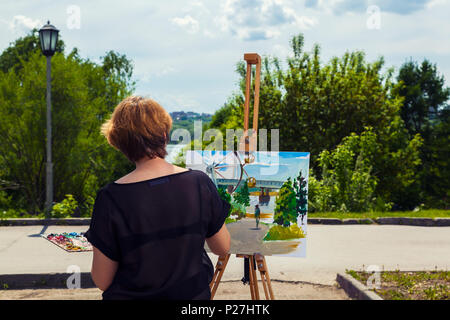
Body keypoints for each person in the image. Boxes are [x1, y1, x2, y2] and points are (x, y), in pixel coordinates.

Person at [84, 96, 231, 300]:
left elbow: (102, 280)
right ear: (164, 135)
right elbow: (222, 247)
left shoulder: (110, 198)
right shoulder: (199, 184)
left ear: (119, 143)